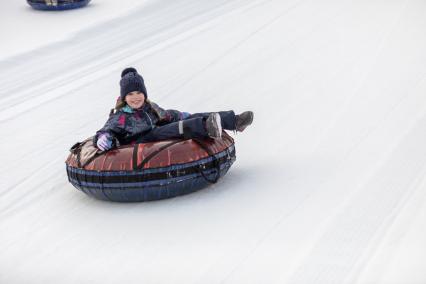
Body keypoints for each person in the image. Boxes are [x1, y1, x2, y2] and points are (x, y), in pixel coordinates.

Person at [94, 67, 254, 151]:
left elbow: (167, 115)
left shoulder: (149, 107)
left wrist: (183, 115)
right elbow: (106, 130)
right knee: (170, 129)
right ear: (124, 97)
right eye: (130, 94)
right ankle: (207, 126)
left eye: (139, 93)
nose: (135, 97)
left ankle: (234, 121)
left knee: (187, 118)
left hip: (156, 133)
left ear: (144, 94)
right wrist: (103, 138)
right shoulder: (121, 115)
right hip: (139, 143)